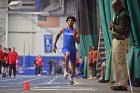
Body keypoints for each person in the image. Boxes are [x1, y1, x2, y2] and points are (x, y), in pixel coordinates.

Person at [109, 0, 131, 91]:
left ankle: (123, 84)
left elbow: (123, 29)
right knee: (116, 62)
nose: (113, 9)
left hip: (121, 40)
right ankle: (118, 82)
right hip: (117, 40)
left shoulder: (123, 15)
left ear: (119, 5)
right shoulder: (119, 14)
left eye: (114, 7)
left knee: (121, 62)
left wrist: (113, 26)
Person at [53, 16, 80, 85]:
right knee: (67, 54)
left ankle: (71, 77)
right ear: (67, 22)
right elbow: (58, 35)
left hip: (73, 50)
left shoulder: (76, 31)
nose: (70, 21)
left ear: (73, 22)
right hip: (65, 48)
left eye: (71, 20)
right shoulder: (64, 30)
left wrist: (74, 36)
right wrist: (54, 44)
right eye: (69, 20)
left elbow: (78, 42)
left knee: (73, 66)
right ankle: (65, 70)